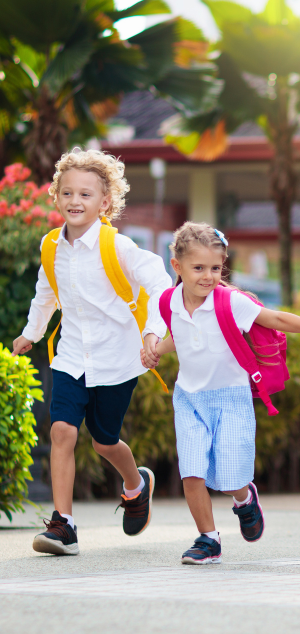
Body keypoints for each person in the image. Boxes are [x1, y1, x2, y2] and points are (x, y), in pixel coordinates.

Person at [141, 222, 300, 564]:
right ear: (176, 267)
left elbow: (277, 319)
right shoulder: (169, 301)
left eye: (216, 268)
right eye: (198, 268)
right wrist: (156, 349)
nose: (208, 276)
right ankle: (208, 539)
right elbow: (182, 337)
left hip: (231, 399)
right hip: (189, 399)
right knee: (192, 472)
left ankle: (244, 498)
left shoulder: (230, 302)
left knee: (230, 478)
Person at [12, 148, 172, 556]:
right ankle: (63, 526)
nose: (75, 201)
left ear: (105, 202)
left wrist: (154, 332)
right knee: (61, 431)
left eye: (85, 194)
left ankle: (137, 485)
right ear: (57, 197)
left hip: (116, 360)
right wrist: (31, 332)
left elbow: (159, 284)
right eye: (67, 193)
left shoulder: (117, 247)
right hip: (69, 358)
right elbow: (45, 294)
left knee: (104, 441)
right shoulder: (52, 248)